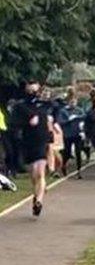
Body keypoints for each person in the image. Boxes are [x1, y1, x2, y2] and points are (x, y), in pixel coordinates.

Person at [13, 82, 52, 216]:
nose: (34, 93)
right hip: (28, 143)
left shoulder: (44, 105)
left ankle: (39, 201)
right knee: (34, 175)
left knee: (40, 172)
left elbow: (49, 122)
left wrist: (50, 138)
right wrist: (28, 122)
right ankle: (36, 195)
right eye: (31, 90)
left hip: (41, 142)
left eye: (36, 90)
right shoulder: (20, 107)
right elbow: (14, 124)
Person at [56, 93, 87, 179]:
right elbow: (60, 121)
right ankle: (63, 165)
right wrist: (68, 120)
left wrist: (77, 118)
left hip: (77, 134)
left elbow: (84, 117)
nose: (73, 103)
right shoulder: (63, 111)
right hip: (67, 134)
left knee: (78, 152)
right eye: (71, 102)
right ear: (68, 102)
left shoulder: (79, 110)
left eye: (74, 102)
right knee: (67, 152)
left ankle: (79, 171)